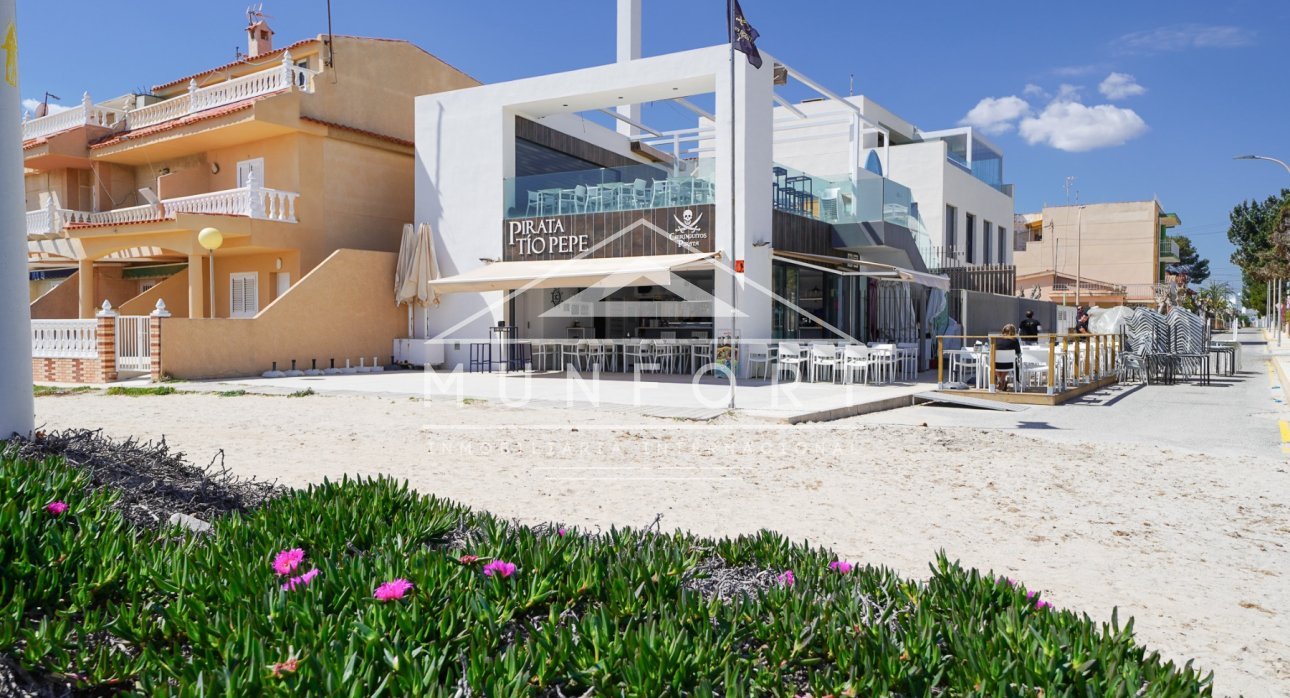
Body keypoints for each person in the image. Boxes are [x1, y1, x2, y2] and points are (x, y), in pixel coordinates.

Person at [993, 324, 1021, 391]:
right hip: (1008, 364)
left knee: (997, 363)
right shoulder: (1014, 340)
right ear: (1013, 331)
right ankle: (1002, 381)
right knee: (1009, 361)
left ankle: (1001, 380)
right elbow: (1018, 353)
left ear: (1003, 331)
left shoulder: (996, 339)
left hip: (996, 364)